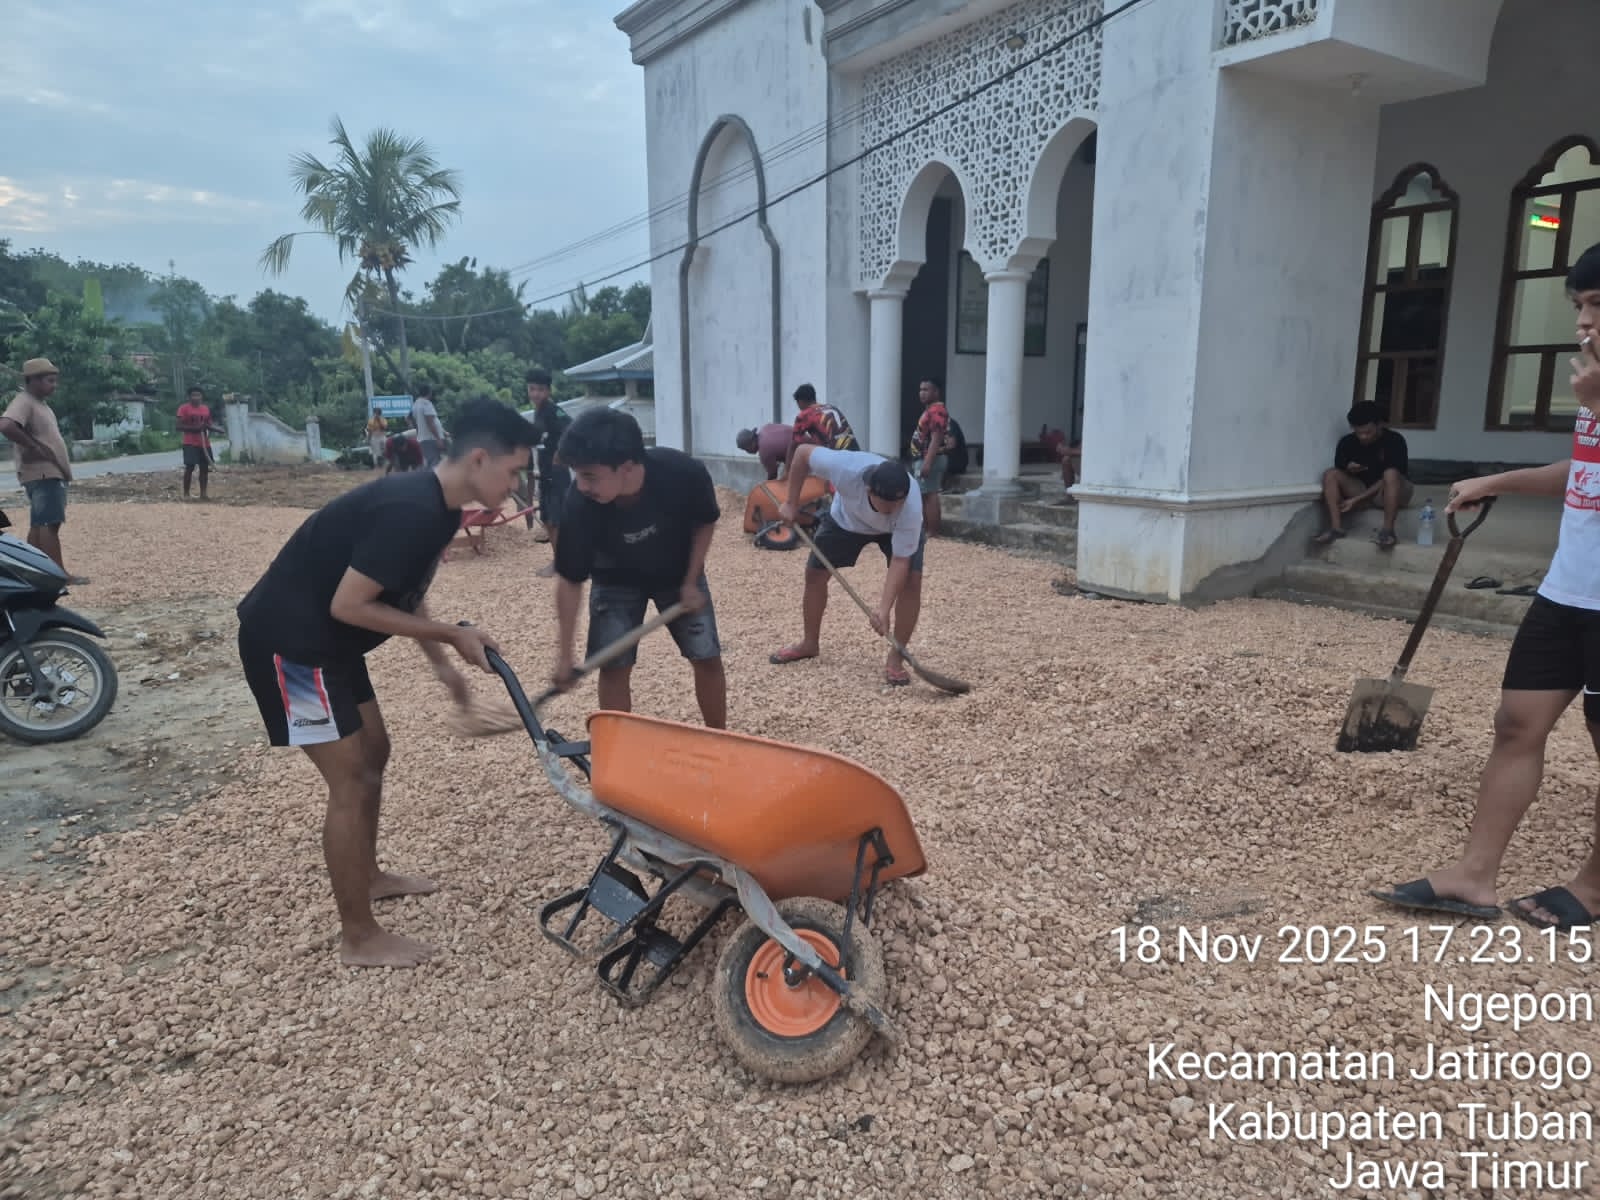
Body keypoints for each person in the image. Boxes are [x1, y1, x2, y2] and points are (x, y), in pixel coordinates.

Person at [235, 396, 538, 968]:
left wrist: (443, 663)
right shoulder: (412, 509)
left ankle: (367, 876)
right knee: (348, 779)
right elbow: (350, 604)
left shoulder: (441, 507)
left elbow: (404, 589)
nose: (517, 484)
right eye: (514, 470)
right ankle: (358, 936)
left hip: (327, 642)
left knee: (376, 747)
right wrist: (450, 635)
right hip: (292, 646)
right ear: (479, 458)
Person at [1372, 241, 1600, 932]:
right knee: (1515, 724)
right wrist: (1494, 480)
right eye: (1579, 307)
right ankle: (1475, 876)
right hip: (1568, 591)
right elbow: (1584, 465)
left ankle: (1593, 888)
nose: (1584, 323)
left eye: (1598, 307)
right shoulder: (1592, 379)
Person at [550, 407, 727, 728]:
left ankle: (721, 739)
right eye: (577, 474)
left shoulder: (683, 474)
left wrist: (690, 580)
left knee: (707, 656)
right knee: (613, 666)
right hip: (614, 579)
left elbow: (705, 522)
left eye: (590, 475)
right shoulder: (579, 502)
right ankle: (620, 749)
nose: (581, 485)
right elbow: (570, 579)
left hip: (678, 572)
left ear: (628, 467)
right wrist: (564, 656)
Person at [768, 443, 926, 687]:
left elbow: (900, 560)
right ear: (869, 490)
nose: (894, 510)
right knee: (814, 574)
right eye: (887, 505)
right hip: (846, 521)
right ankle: (810, 643)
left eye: (899, 504)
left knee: (911, 582)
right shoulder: (844, 468)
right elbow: (801, 454)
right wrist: (790, 502)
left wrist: (883, 609)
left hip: (894, 533)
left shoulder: (910, 505)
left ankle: (896, 658)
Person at [1, 357, 85, 584]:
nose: (54, 385)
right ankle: (57, 575)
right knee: (49, 523)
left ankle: (29, 569)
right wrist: (34, 446)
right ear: (33, 380)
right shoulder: (25, 401)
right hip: (42, 472)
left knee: (41, 523)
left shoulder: (39, 404)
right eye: (49, 380)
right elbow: (7, 425)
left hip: (48, 471)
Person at [1313, 400, 1414, 548]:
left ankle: (1388, 531)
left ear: (1379, 425)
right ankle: (1336, 528)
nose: (1363, 437)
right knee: (1331, 474)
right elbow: (1340, 468)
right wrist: (1348, 468)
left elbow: (1394, 476)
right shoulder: (1347, 442)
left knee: (1390, 473)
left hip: (1392, 491)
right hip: (1363, 490)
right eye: (1358, 432)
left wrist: (1355, 500)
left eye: (1368, 432)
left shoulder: (1395, 440)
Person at [525, 368, 572, 578]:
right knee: (548, 520)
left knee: (558, 520)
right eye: (532, 389)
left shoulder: (554, 411)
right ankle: (560, 561)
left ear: (548, 391)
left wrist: (561, 454)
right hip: (544, 473)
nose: (536, 394)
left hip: (557, 474)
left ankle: (564, 563)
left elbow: (572, 429)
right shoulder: (538, 412)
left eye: (540, 389)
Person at [909, 377, 950, 535]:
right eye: (921, 389)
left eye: (926, 390)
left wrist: (927, 462)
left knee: (930, 494)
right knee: (924, 494)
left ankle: (932, 531)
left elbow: (937, 437)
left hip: (930, 458)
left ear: (936, 392)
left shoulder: (936, 411)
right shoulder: (931, 410)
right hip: (925, 458)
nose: (922, 393)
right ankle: (927, 530)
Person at [787, 383, 858, 474]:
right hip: (855, 452)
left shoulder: (805, 415)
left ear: (800, 401)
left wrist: (787, 471)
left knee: (803, 450)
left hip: (837, 459)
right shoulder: (832, 408)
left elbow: (794, 445)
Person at [176, 386, 224, 500]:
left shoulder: (205, 409)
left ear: (202, 397)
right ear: (189, 397)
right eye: (193, 395)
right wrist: (195, 428)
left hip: (204, 443)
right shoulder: (183, 409)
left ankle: (203, 493)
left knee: (204, 468)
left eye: (198, 395)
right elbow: (178, 426)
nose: (196, 397)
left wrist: (218, 429)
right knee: (190, 468)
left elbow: (208, 424)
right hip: (190, 443)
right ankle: (186, 494)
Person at [411, 385, 446, 469]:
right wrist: (438, 439)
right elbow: (430, 423)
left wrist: (444, 432)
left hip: (423, 438)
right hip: (431, 438)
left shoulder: (416, 404)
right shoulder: (426, 404)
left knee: (429, 462)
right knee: (434, 463)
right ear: (429, 392)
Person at [365, 406, 388, 471]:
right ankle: (376, 466)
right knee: (375, 453)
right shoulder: (371, 421)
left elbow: (384, 428)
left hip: (382, 436)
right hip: (374, 437)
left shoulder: (383, 420)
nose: (376, 414)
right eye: (375, 413)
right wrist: (368, 440)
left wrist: (379, 420)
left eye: (378, 413)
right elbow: (369, 431)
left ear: (380, 413)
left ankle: (384, 465)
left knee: (385, 450)